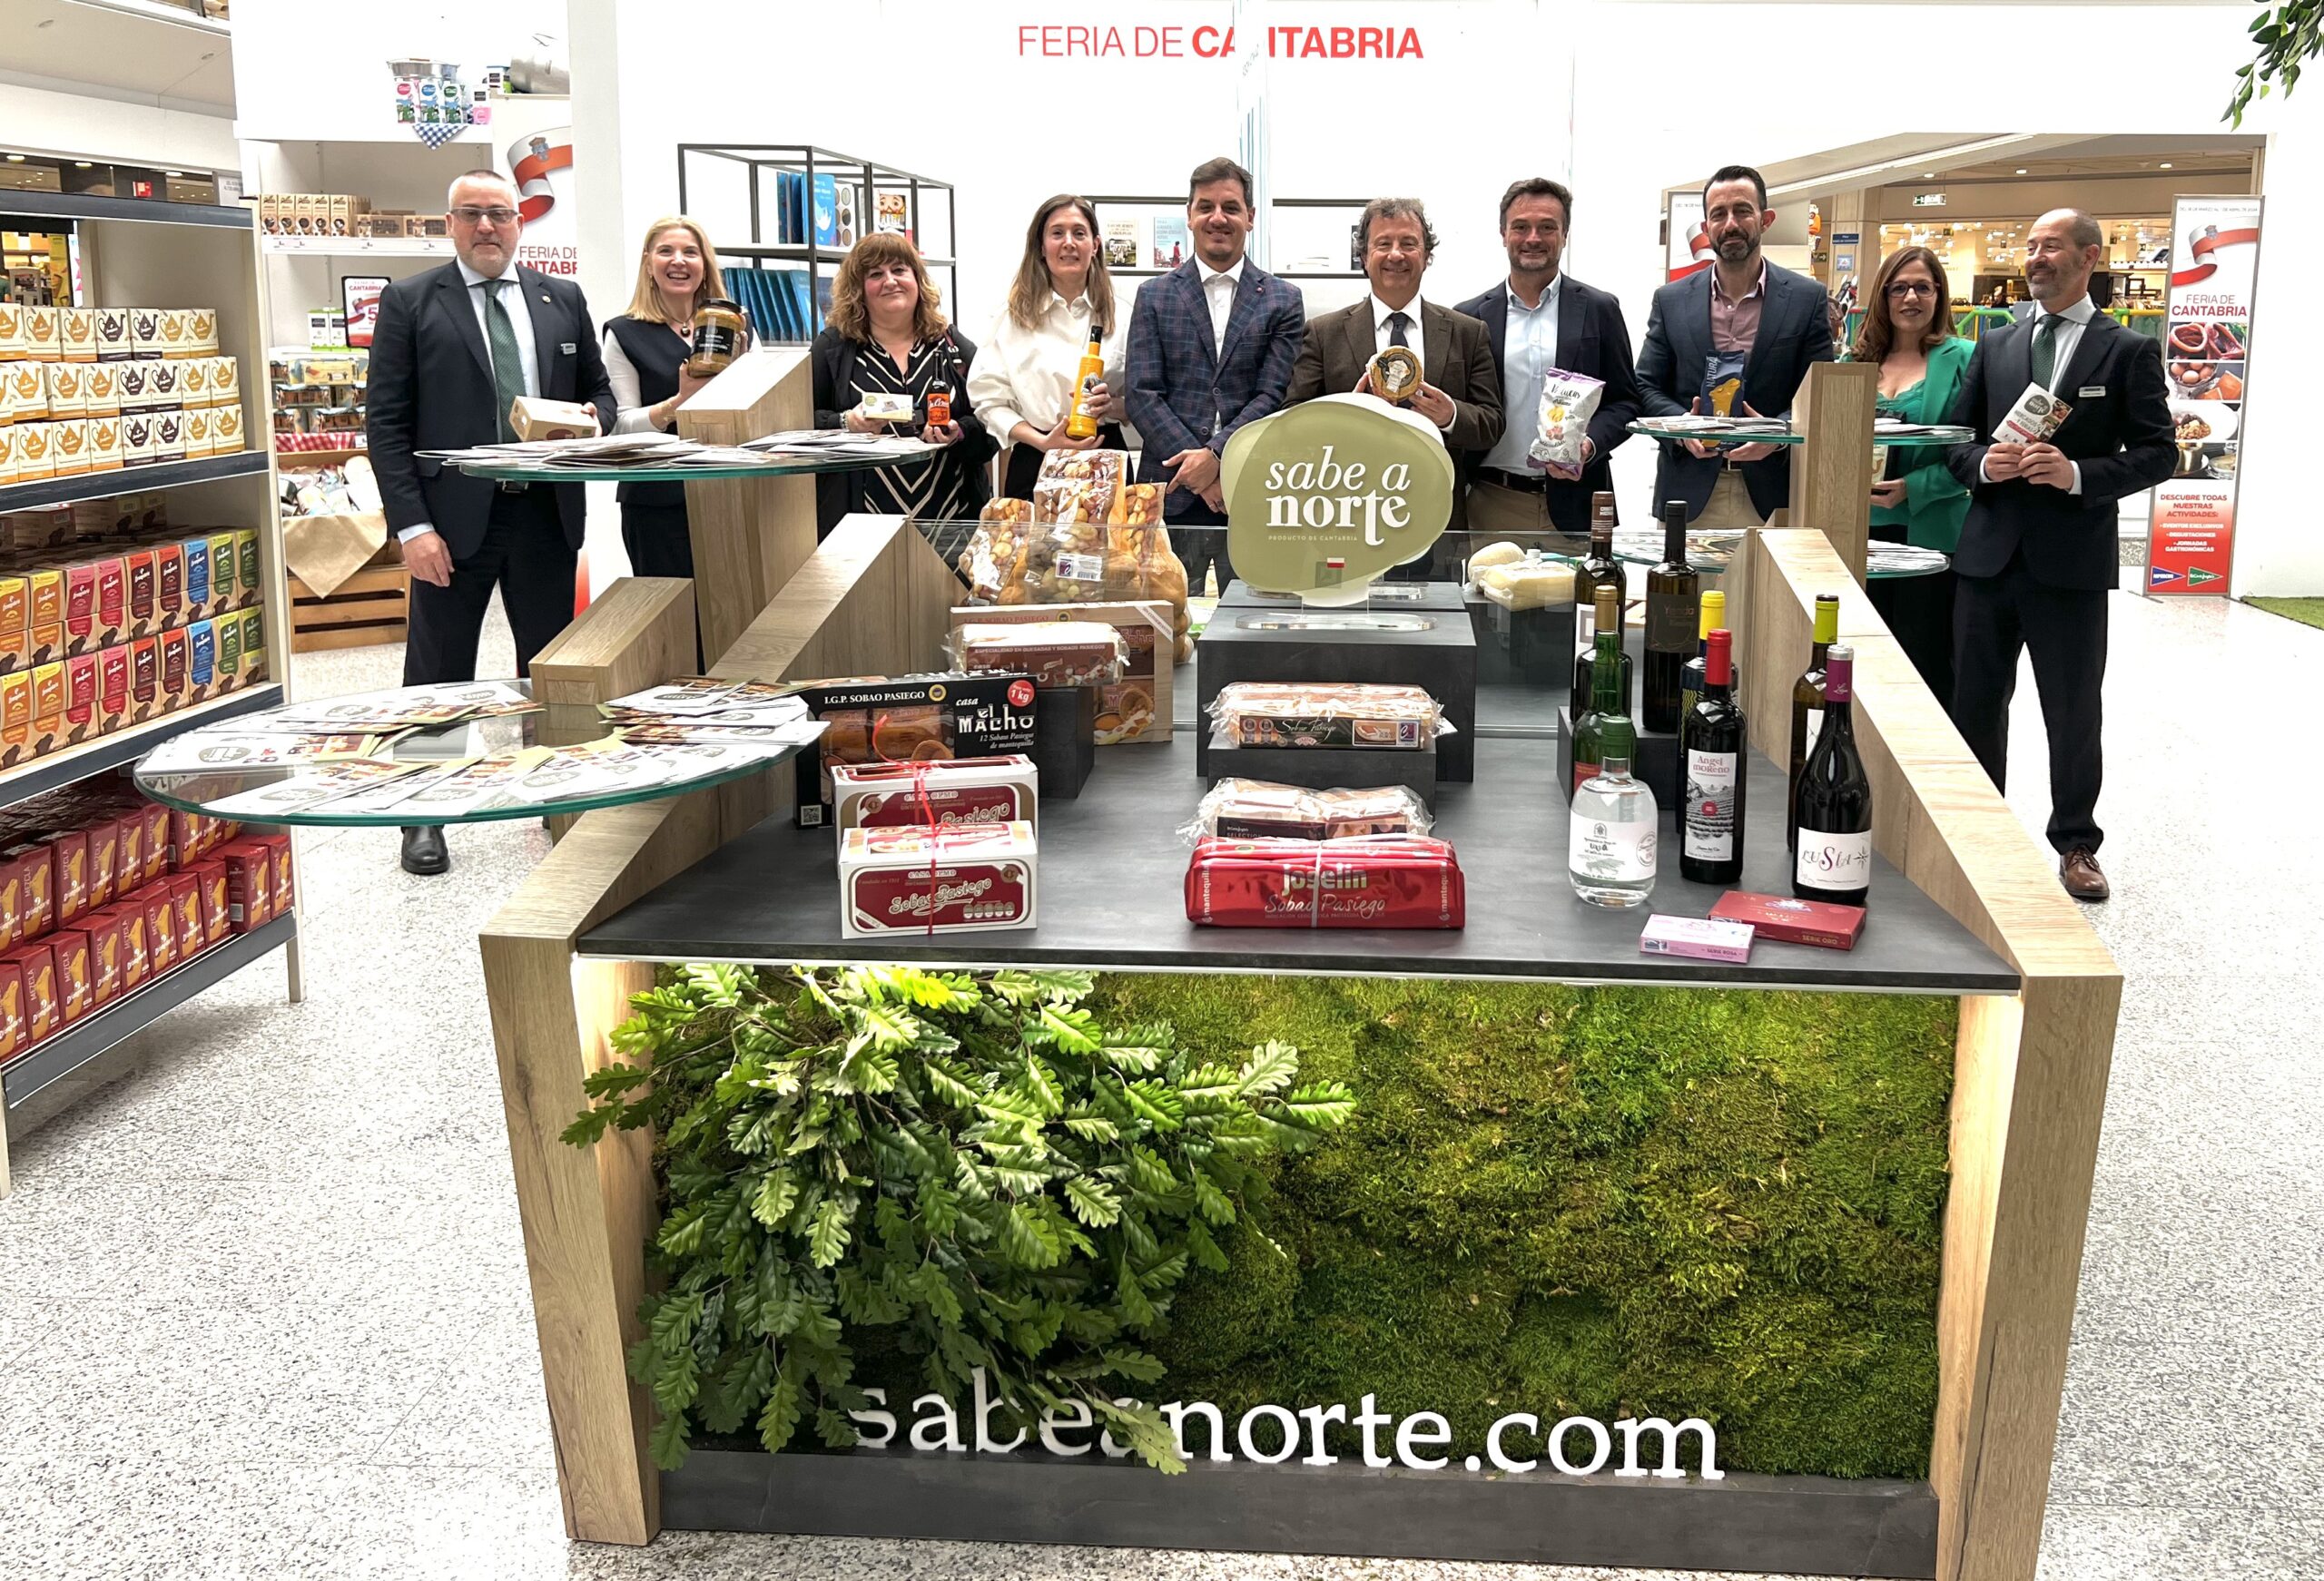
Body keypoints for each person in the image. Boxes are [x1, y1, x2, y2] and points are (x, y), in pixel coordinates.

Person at [368, 169, 615, 878]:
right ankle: (425, 810)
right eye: (471, 214)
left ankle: (554, 795)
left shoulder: (561, 298)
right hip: (450, 524)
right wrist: (412, 528)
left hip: (544, 512)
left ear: (519, 223)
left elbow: (598, 390)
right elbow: (386, 425)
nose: (486, 227)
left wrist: (592, 417)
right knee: (439, 672)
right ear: (449, 224)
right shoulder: (412, 301)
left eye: (500, 214)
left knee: (548, 668)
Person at [1943, 208, 2173, 903]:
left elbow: (2159, 452)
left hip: (2071, 562)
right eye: (2030, 247)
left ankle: (2077, 844)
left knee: (2072, 710)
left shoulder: (2125, 350)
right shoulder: (1995, 344)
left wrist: (2076, 475)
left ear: (2089, 256)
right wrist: (1984, 465)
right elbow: (1954, 440)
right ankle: (1975, 838)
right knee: (1975, 704)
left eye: (2050, 247)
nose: (2035, 258)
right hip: (1987, 557)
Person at [1286, 196, 1501, 572]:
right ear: (1364, 256)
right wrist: (1346, 415)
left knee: (1438, 610)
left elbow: (1492, 423)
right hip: (1344, 519)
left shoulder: (1467, 332)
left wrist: (1450, 415)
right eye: (1383, 243)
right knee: (1345, 609)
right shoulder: (1324, 333)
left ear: (1427, 255)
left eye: (1408, 243)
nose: (1396, 254)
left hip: (1438, 523)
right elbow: (1291, 422)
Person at [1125, 156, 1305, 596]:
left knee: (1254, 617)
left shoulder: (1283, 300)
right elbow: (1142, 394)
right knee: (1162, 617)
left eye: (1231, 207)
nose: (1218, 218)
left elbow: (1273, 395)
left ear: (1250, 217)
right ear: (1189, 216)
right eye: (1206, 207)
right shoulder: (1153, 296)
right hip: (1169, 491)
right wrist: (1200, 471)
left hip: (1251, 489)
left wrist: (1220, 456)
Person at [1635, 164, 1835, 527]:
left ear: (1765, 219)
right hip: (1687, 493)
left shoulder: (1806, 299)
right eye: (1718, 214)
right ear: (1706, 226)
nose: (1730, 224)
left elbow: (1821, 393)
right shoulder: (1670, 300)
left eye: (1742, 211)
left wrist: (1777, 434)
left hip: (1774, 494)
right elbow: (1645, 385)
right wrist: (1682, 428)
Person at [1453, 177, 1639, 548]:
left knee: (1581, 591)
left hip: (1579, 503)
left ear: (1565, 234)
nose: (1533, 238)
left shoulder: (1600, 309)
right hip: (1493, 503)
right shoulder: (1469, 318)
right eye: (1521, 226)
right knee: (1488, 590)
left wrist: (1589, 445)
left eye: (1547, 227)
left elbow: (1626, 402)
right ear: (1503, 234)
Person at [1851, 246, 1973, 707]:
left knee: (1926, 663)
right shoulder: (1853, 362)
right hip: (1860, 535)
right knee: (1862, 662)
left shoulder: (1967, 359)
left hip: (1931, 533)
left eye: (1923, 287)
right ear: (1882, 297)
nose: (1910, 298)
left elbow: (1978, 450)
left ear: (1939, 294)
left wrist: (1914, 488)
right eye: (1898, 288)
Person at [809, 235, 994, 535]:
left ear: (917, 279)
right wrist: (845, 423)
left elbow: (991, 423)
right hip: (857, 529)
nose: (890, 281)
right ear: (859, 289)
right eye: (875, 274)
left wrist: (958, 432)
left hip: (950, 524)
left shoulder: (953, 345)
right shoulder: (832, 348)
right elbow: (800, 424)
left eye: (899, 270)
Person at [601, 215, 737, 581]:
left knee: (735, 607)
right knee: (670, 609)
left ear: (705, 265)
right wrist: (678, 404)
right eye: (666, 251)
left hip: (729, 493)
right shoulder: (624, 333)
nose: (679, 261)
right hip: (656, 504)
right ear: (648, 264)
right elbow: (619, 427)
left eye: (690, 252)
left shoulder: (736, 326)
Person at [965, 194, 1126, 501]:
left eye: (1079, 233)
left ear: (1095, 245)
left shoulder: (1126, 316)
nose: (1069, 243)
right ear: (1041, 246)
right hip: (1037, 457)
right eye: (1057, 233)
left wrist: (1113, 406)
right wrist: (1042, 442)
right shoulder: (1012, 318)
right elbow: (987, 401)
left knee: (1110, 536)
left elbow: (1146, 398)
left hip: (1104, 457)